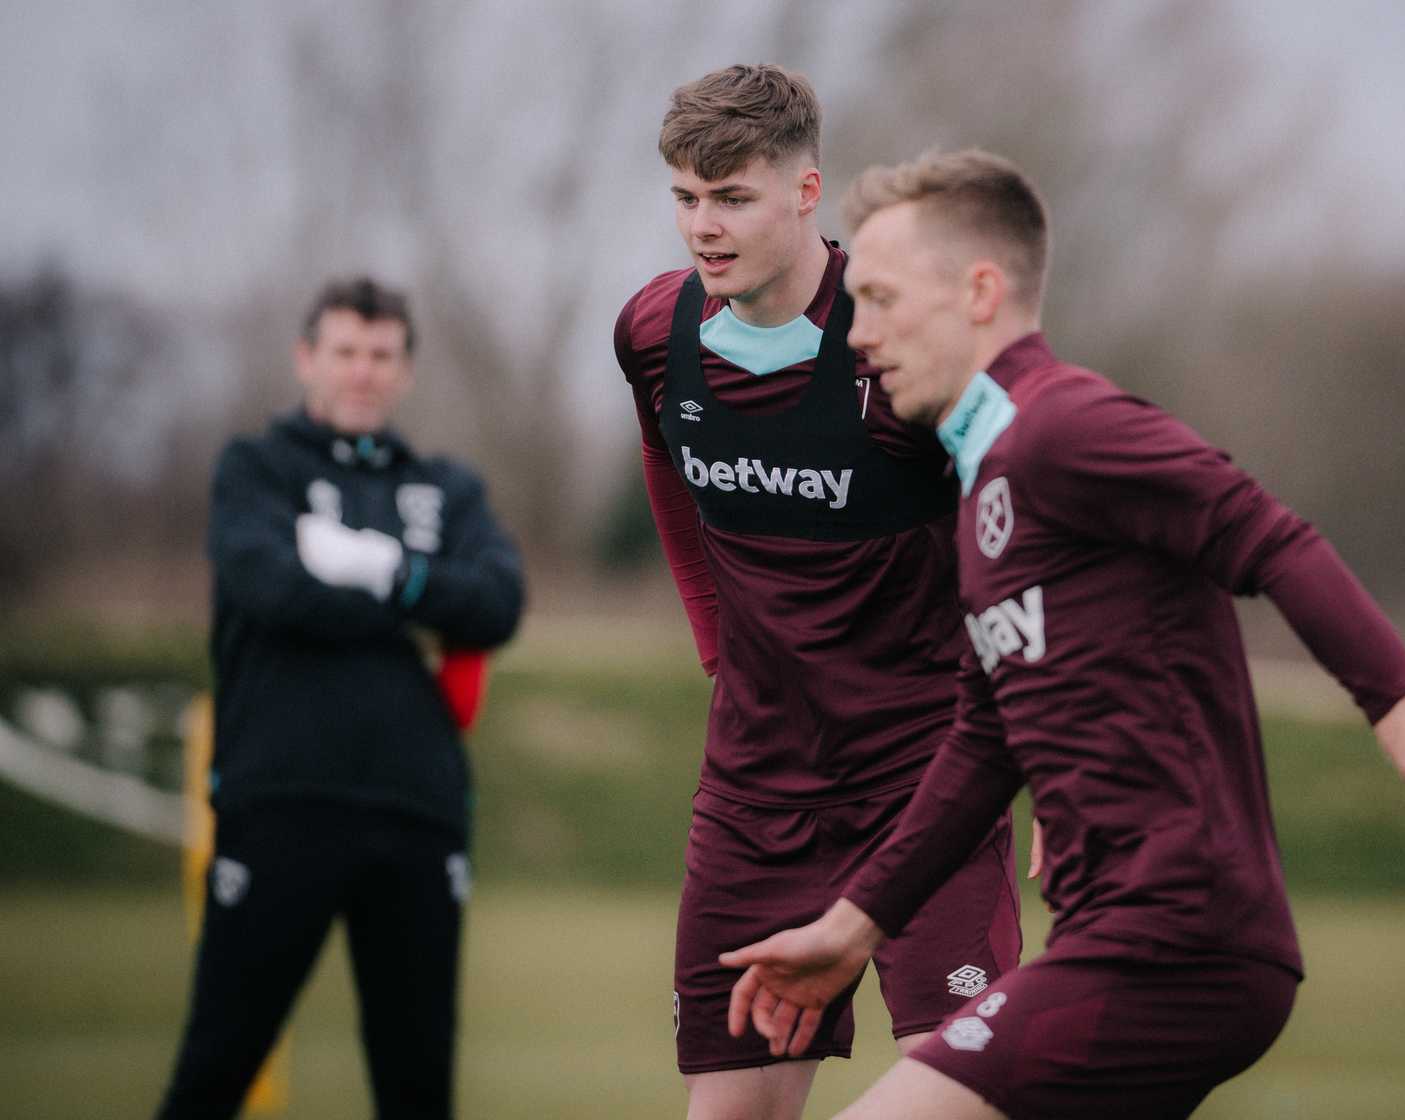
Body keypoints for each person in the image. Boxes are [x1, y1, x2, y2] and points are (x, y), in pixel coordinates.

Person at [720, 150, 1405, 1119]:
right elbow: (985, 743)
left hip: (1176, 938)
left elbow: (1273, 539)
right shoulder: (985, 489)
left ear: (979, 290)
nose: (861, 334)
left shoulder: (1065, 428)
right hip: (1126, 937)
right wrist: (853, 929)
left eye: (883, 300)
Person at [614, 66, 1022, 1120]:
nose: (703, 227)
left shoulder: (901, 348)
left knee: (967, 1091)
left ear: (805, 194)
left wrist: (1050, 742)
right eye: (685, 198)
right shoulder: (656, 335)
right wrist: (715, 637)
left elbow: (1029, 534)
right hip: (756, 795)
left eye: (733, 197)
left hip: (924, 778)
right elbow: (667, 463)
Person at [153, 276, 525, 1119]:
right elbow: (273, 589)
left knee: (417, 1087)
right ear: (307, 359)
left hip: (417, 812)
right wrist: (424, 605)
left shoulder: (447, 489)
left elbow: (499, 604)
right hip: (281, 801)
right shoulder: (256, 470)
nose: (363, 372)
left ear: (406, 370)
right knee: (216, 1068)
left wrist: (375, 566)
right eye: (346, 352)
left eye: (382, 355)